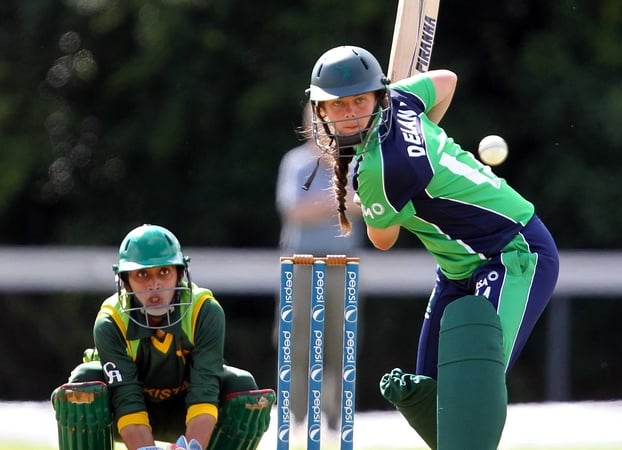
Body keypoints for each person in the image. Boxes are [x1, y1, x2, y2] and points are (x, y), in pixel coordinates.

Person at [302, 45, 560, 450]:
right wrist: (422, 141)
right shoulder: (402, 98)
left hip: (513, 253)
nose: (349, 112)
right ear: (321, 110)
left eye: (358, 101)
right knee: (428, 394)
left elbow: (382, 238)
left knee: (471, 395)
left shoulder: (379, 169)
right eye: (337, 105)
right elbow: (445, 81)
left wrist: (387, 191)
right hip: (457, 268)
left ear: (376, 97)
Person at [51, 224, 275, 450]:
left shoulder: (204, 311)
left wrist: (190, 448)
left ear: (180, 273)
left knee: (242, 388)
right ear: (125, 281)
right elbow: (127, 400)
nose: (154, 284)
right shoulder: (111, 322)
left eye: (164, 272)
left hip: (186, 409)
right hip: (122, 414)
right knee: (83, 382)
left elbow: (204, 392)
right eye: (142, 274)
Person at [272, 105, 365, 437]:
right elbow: (295, 211)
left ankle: (335, 418)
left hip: (343, 262)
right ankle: (295, 418)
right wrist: (337, 202)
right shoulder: (295, 163)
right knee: (297, 342)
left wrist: (332, 191)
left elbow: (364, 208)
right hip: (302, 264)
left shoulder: (353, 162)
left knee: (341, 342)